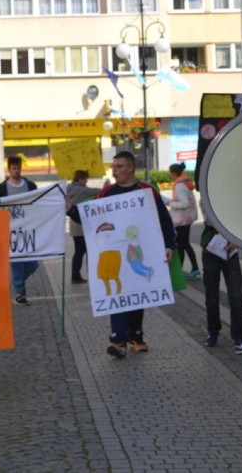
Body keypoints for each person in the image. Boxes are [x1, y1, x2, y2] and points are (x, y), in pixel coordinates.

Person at [68, 151, 175, 358]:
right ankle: (118, 340)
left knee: (137, 294)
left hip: (138, 253)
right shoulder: (106, 193)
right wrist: (71, 210)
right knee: (117, 293)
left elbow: (164, 220)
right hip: (113, 255)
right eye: (113, 166)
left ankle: (136, 336)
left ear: (130, 168)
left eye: (118, 166)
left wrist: (170, 245)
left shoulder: (147, 191)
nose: (114, 170)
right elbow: (89, 218)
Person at [200, 218, 242, 354]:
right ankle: (213, 331)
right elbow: (209, 220)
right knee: (212, 297)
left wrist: (235, 240)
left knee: (236, 297)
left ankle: (240, 338)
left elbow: (241, 220)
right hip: (211, 251)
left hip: (231, 254)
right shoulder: (206, 197)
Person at [0, 155, 38, 305]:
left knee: (33, 263)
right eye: (14, 168)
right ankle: (20, 294)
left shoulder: (30, 186)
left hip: (28, 231)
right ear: (9, 169)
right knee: (16, 263)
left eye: (19, 168)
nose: (17, 171)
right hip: (10, 232)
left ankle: (16, 283)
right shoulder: (1, 188)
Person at [166, 162, 201, 279]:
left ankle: (180, 272)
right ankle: (194, 269)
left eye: (170, 173)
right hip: (187, 219)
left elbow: (184, 203)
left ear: (174, 173)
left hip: (181, 220)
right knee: (184, 244)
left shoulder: (179, 186)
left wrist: (169, 203)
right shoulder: (185, 183)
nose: (169, 175)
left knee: (181, 245)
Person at [66, 169, 99, 284]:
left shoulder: (68, 189)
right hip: (83, 225)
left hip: (74, 226)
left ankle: (75, 276)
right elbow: (97, 191)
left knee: (78, 252)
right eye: (85, 179)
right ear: (80, 179)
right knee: (90, 252)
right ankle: (92, 276)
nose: (86, 181)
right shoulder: (83, 190)